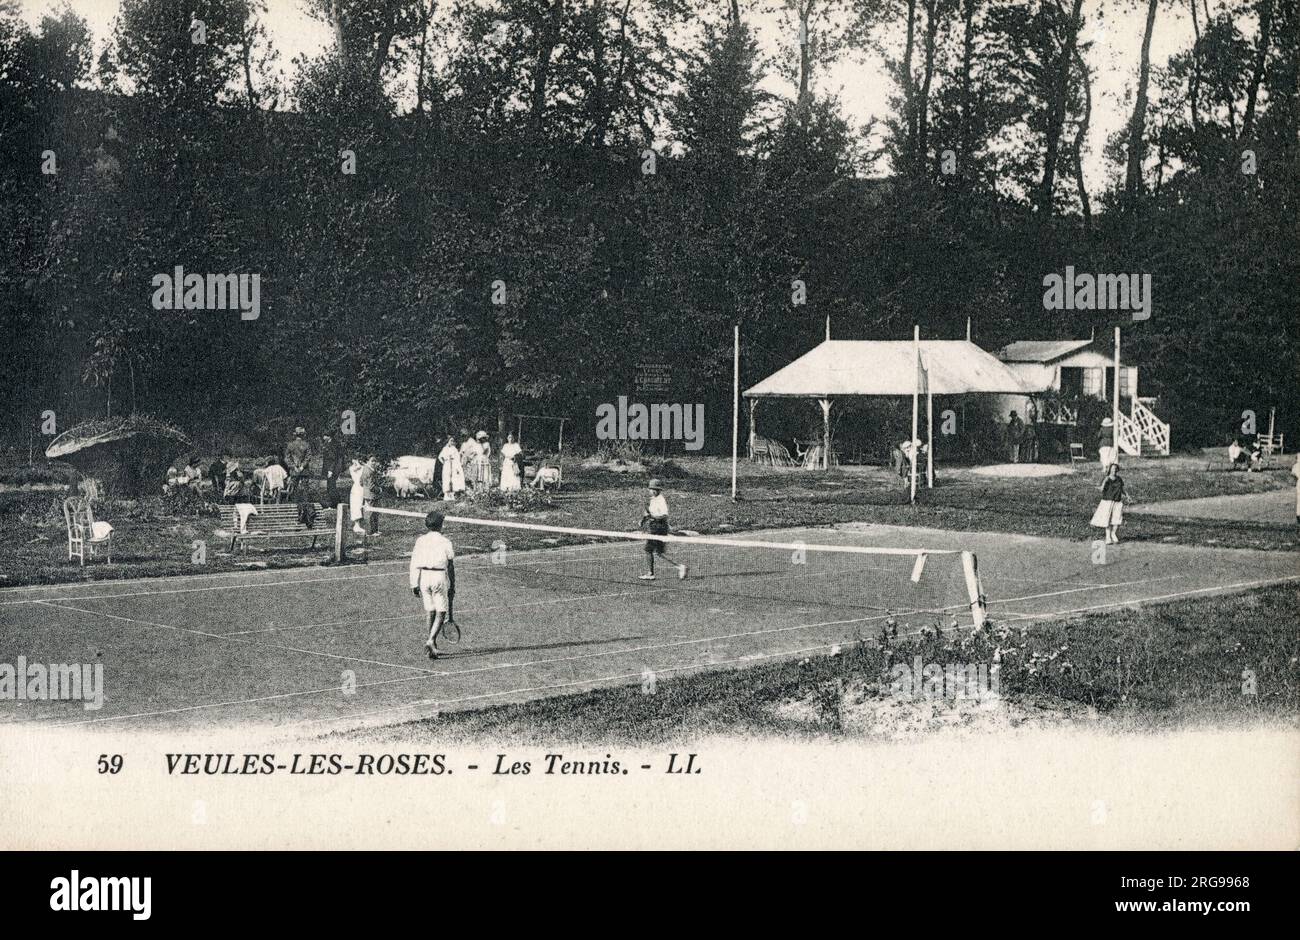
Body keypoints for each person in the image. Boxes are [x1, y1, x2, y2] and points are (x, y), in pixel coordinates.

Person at [410, 510, 456, 660]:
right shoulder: (446, 542)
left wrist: (413, 584)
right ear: (441, 525)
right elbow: (450, 566)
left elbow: (414, 563)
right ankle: (430, 640)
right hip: (438, 577)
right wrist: (452, 585)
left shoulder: (420, 541)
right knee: (441, 612)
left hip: (424, 578)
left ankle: (433, 647)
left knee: (430, 611)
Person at [639, 479, 688, 581]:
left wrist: (653, 517)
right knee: (658, 552)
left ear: (657, 490)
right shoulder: (653, 500)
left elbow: (664, 514)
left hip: (659, 527)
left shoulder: (661, 500)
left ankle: (650, 573)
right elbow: (648, 513)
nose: (651, 491)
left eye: (652, 489)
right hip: (655, 526)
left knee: (649, 550)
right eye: (650, 489)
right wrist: (643, 520)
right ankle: (679, 566)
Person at [1090, 463, 1126, 545]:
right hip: (1107, 501)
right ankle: (1108, 537)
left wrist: (1127, 496)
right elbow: (1102, 489)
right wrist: (1099, 487)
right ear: (1109, 470)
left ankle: (1113, 534)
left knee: (1117, 519)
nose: (1114, 470)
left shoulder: (1119, 479)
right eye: (1112, 469)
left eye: (1115, 469)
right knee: (1107, 519)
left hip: (1117, 501)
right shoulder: (1106, 479)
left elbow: (1122, 489)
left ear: (1117, 470)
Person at [349, 456, 374, 535]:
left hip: (362, 488)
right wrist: (357, 463)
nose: (355, 461)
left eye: (357, 459)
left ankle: (364, 525)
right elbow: (358, 468)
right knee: (356, 506)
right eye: (354, 459)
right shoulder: (352, 468)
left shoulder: (362, 467)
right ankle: (356, 525)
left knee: (362, 506)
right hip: (356, 489)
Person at [285, 427, 312, 499]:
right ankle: (304, 505)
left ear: (295, 435)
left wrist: (294, 467)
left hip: (294, 470)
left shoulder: (290, 445)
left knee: (293, 488)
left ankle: (293, 505)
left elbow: (287, 458)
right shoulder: (306, 445)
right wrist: (302, 467)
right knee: (305, 489)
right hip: (304, 470)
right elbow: (308, 457)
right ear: (303, 435)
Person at [322, 433, 346, 506]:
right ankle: (336, 503)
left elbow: (333, 459)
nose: (323, 437)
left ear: (329, 436)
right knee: (331, 486)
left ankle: (336, 503)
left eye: (324, 435)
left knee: (331, 486)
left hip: (333, 469)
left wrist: (330, 470)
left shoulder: (332, 445)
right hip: (333, 468)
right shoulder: (331, 443)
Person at [439, 434, 465, 501]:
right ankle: (446, 495)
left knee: (453, 479)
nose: (452, 442)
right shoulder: (445, 449)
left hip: (453, 464)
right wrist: (444, 462)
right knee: (447, 478)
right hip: (447, 465)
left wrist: (457, 464)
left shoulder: (455, 449)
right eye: (450, 441)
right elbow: (440, 457)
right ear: (448, 441)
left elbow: (457, 458)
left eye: (453, 441)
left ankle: (452, 495)